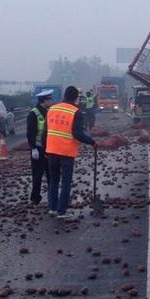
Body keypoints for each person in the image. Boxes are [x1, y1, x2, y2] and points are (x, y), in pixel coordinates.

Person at [45, 85, 95, 219]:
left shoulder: (51, 109)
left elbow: (46, 131)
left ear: (64, 96)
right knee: (66, 181)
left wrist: (45, 148)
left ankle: (52, 208)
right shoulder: (75, 112)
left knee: (54, 180)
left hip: (51, 150)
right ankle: (62, 211)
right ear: (75, 98)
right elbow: (78, 134)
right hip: (66, 151)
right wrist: (92, 142)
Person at [27, 89, 53, 204]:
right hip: (38, 148)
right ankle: (35, 198)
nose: (51, 101)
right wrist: (33, 148)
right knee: (37, 174)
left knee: (51, 174)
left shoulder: (48, 111)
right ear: (44, 100)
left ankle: (52, 197)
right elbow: (30, 133)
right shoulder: (34, 113)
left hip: (49, 148)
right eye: (50, 99)